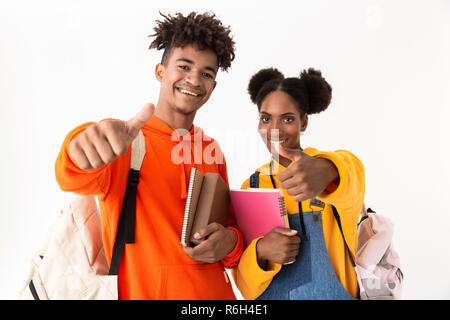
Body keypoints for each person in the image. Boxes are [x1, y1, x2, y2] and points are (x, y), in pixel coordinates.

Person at [55, 12, 244, 300]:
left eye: (207, 73)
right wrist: (79, 147)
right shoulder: (126, 142)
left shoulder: (211, 148)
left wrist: (230, 242)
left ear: (213, 87)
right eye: (184, 66)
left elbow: (231, 239)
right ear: (160, 72)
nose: (194, 79)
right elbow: (73, 172)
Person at [232, 67, 365, 300]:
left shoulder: (331, 175)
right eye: (266, 118)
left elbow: (353, 169)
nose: (274, 130)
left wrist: (327, 170)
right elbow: (246, 289)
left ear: (303, 122)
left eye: (287, 119)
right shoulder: (251, 187)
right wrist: (261, 252)